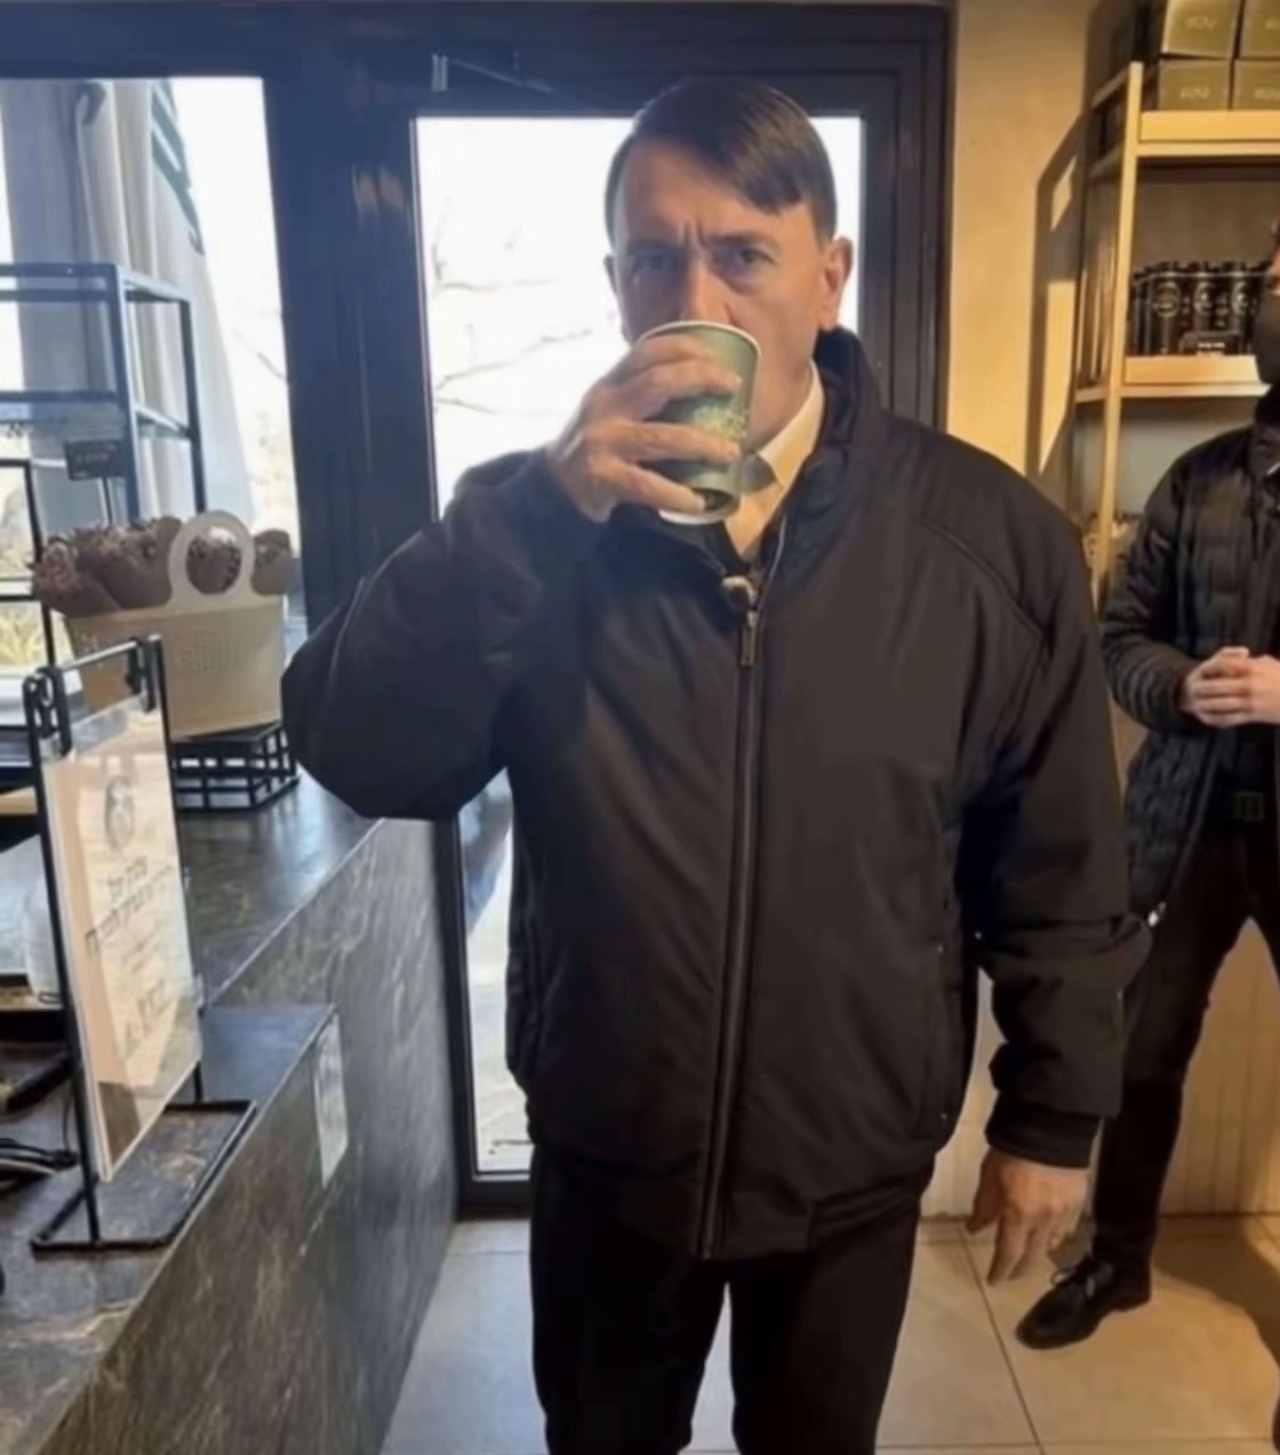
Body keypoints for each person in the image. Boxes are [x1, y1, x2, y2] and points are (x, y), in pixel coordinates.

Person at [284, 79, 1145, 1455]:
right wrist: (542, 510)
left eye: (743, 252)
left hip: (851, 1156)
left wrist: (1052, 1116)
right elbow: (357, 745)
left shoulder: (985, 542)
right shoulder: (532, 525)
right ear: (615, 288)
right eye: (653, 259)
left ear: (829, 274)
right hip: (608, 1149)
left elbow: (1060, 859)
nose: (695, 295)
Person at [1018, 195, 1280, 1455]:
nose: (1276, 303)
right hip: (1186, 827)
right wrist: (1176, 689)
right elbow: (1123, 637)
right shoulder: (1203, 477)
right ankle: (1119, 1260)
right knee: (1141, 1058)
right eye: (1273, 279)